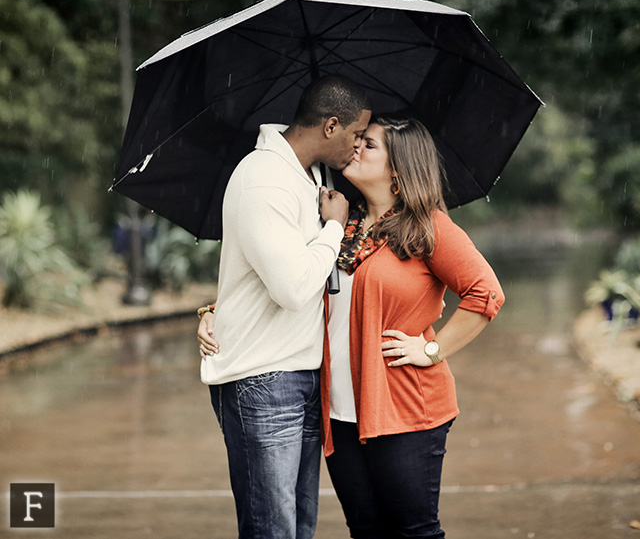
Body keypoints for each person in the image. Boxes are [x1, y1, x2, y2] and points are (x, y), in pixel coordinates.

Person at [200, 114, 503, 538]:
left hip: (403, 409)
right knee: (365, 528)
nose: (356, 147)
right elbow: (290, 274)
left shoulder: (428, 227)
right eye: (358, 140)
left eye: (370, 144)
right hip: (340, 413)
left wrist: (429, 350)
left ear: (399, 169)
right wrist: (216, 310)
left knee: (414, 530)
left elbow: (485, 295)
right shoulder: (342, 223)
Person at [199, 74, 372, 539]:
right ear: (330, 126)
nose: (357, 149)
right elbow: (293, 288)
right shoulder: (264, 179)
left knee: (298, 526)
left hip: (301, 371)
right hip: (264, 377)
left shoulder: (310, 175)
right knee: (271, 529)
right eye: (357, 136)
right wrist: (332, 228)